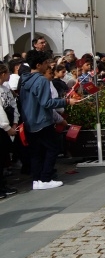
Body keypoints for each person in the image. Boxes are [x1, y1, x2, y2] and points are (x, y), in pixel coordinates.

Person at [18, 50, 80, 190]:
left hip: (29, 121)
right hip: (42, 120)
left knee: (36, 152)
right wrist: (66, 102)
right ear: (39, 64)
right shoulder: (41, 80)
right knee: (53, 148)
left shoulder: (24, 79)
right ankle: (45, 178)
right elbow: (47, 103)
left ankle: (37, 180)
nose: (48, 66)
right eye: (46, 63)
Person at [0, 64, 19, 198]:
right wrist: (7, 127)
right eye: (7, 72)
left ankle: (3, 185)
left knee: (3, 158)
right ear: (2, 74)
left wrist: (15, 121)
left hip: (8, 125)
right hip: (2, 128)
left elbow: (13, 104)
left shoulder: (5, 88)